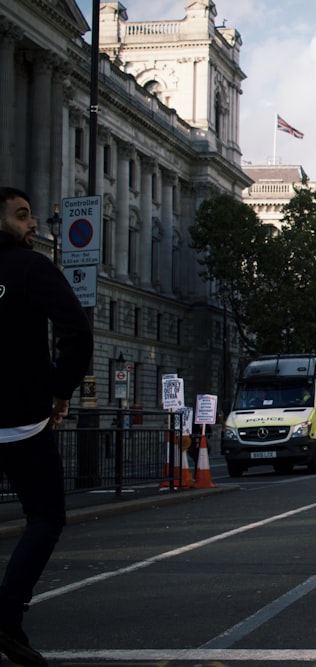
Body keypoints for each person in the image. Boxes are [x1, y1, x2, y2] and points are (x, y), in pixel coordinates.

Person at [0, 186, 93, 666]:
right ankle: (7, 615)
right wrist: (59, 390)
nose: (32, 224)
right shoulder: (30, 267)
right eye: (21, 216)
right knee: (45, 516)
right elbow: (76, 329)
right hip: (20, 419)